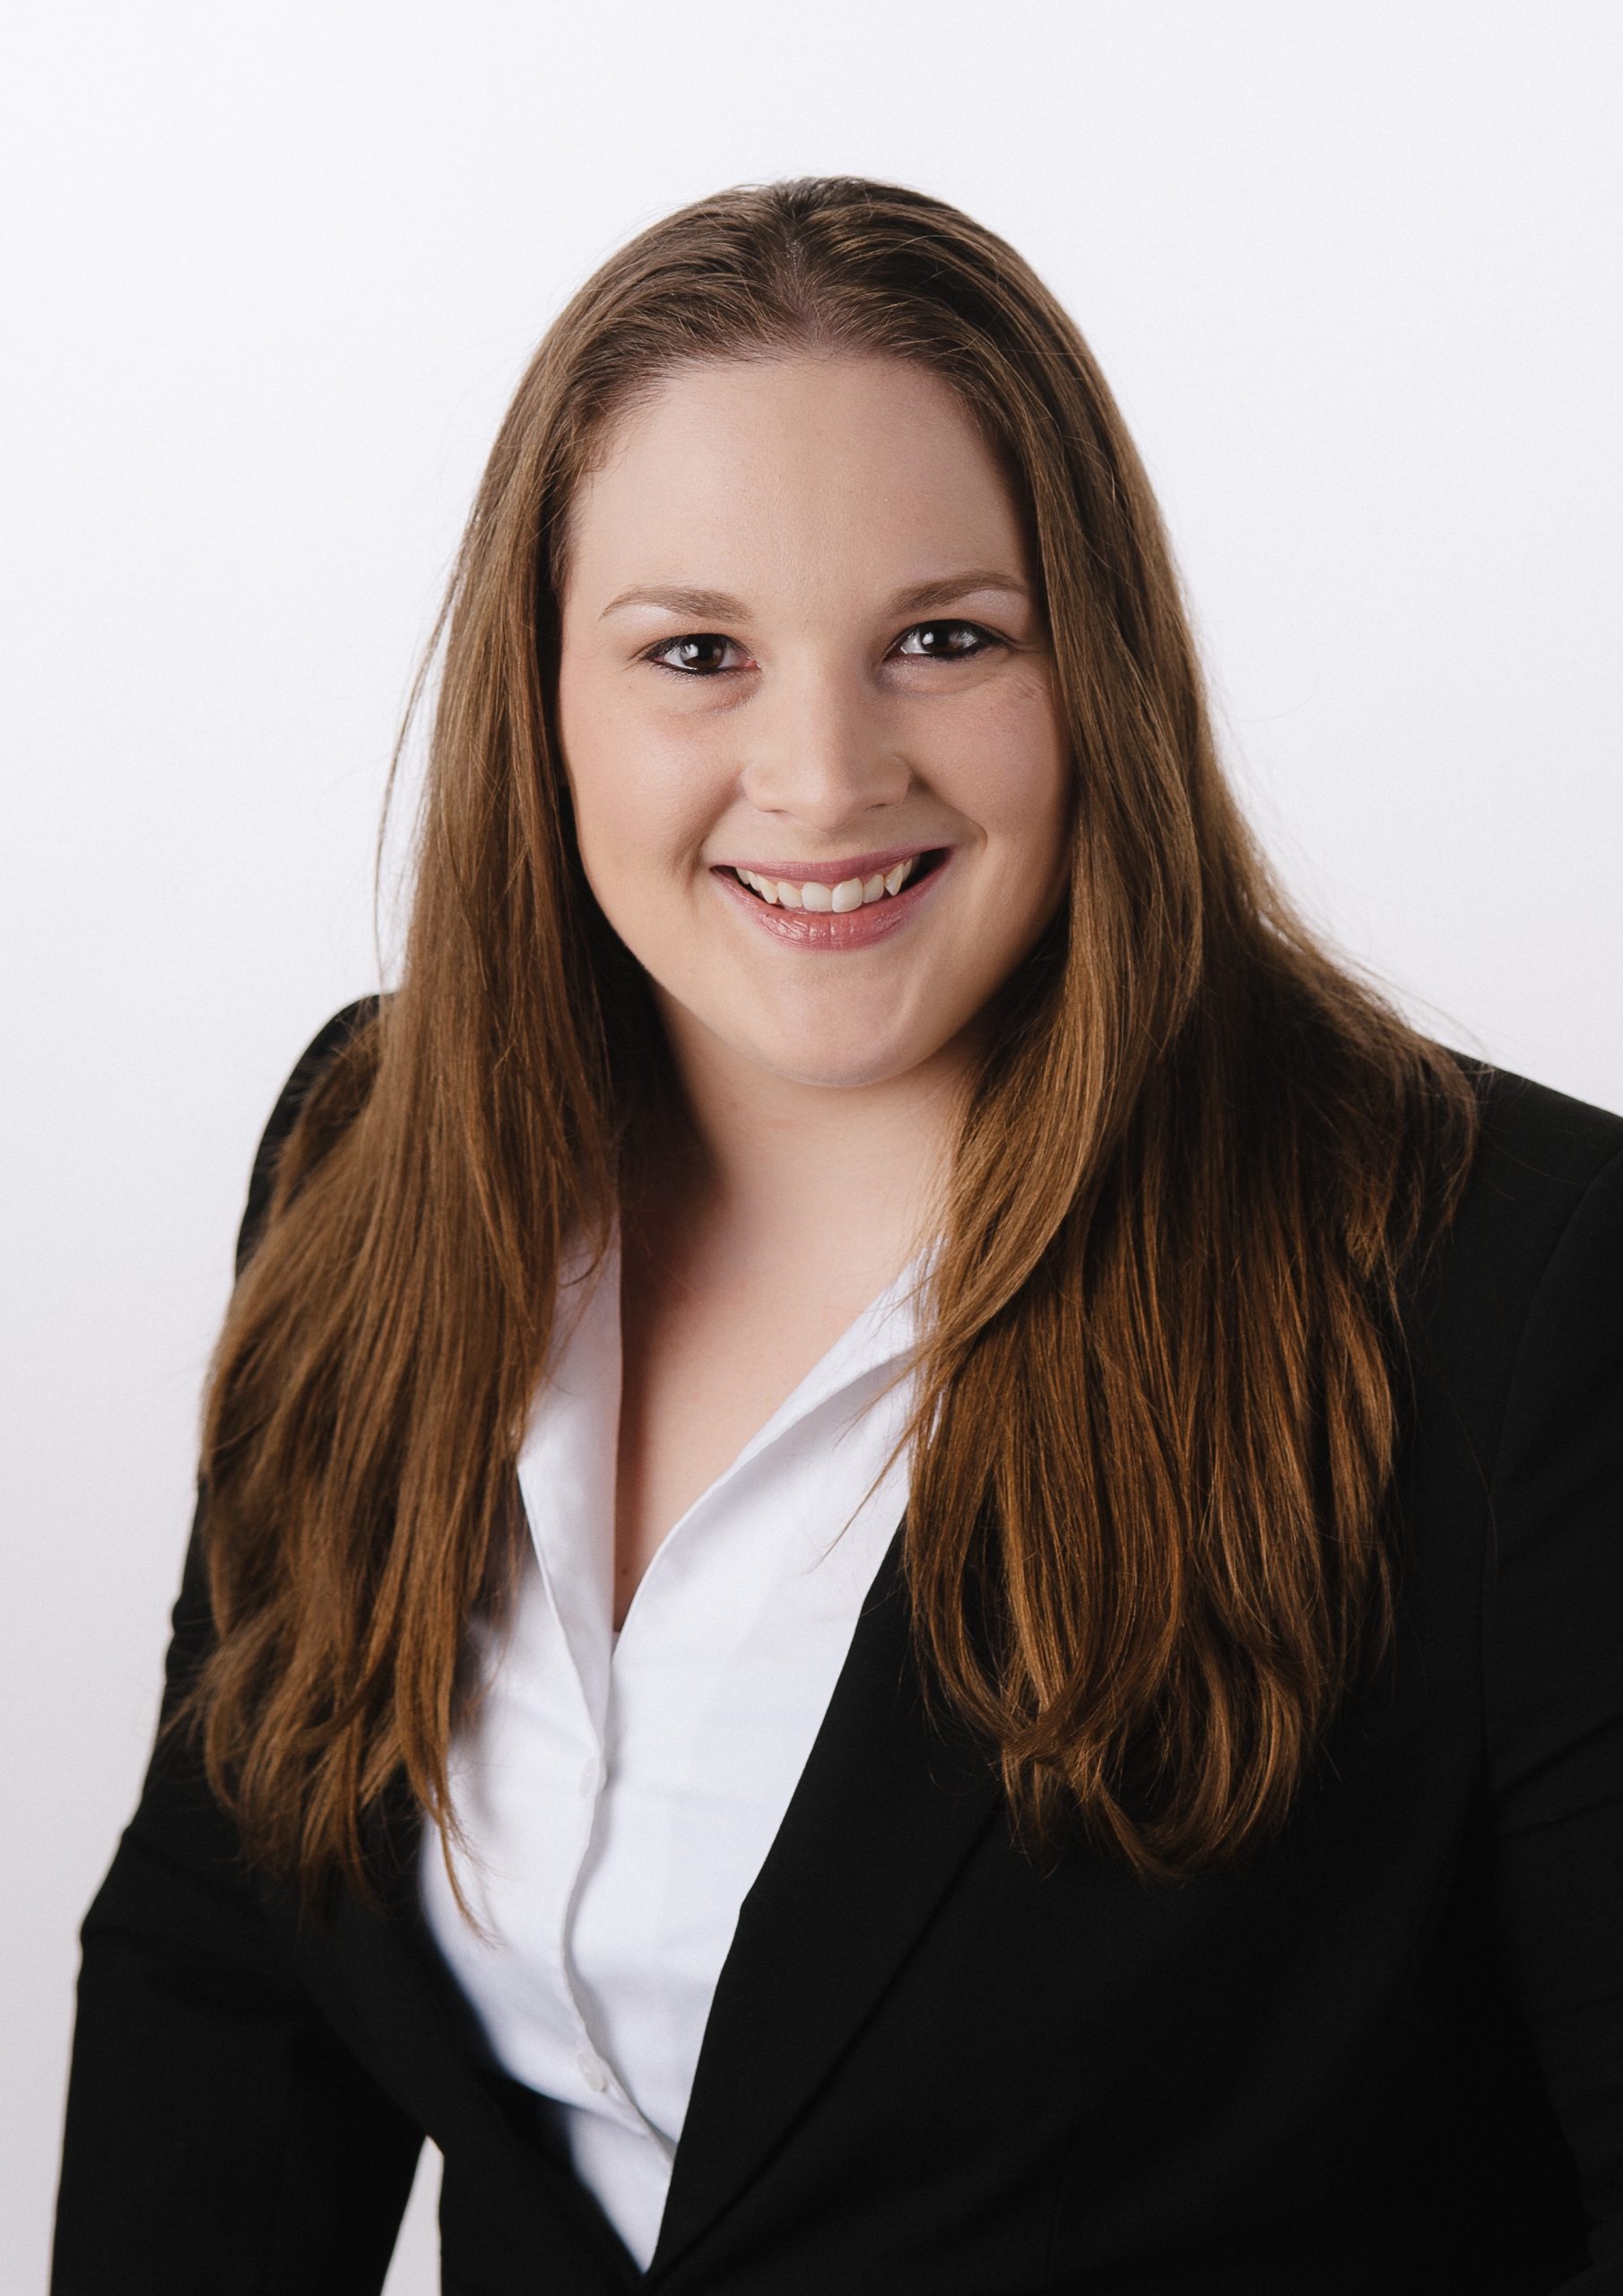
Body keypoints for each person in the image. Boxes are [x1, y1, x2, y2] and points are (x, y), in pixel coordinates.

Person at [51, 175, 1621, 2295]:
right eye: (695, 652)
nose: (817, 770)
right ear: (547, 702)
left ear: (1099, 678)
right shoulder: (367, 1149)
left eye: (942, 639)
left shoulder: (1516, 1287)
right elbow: (222, 1975)